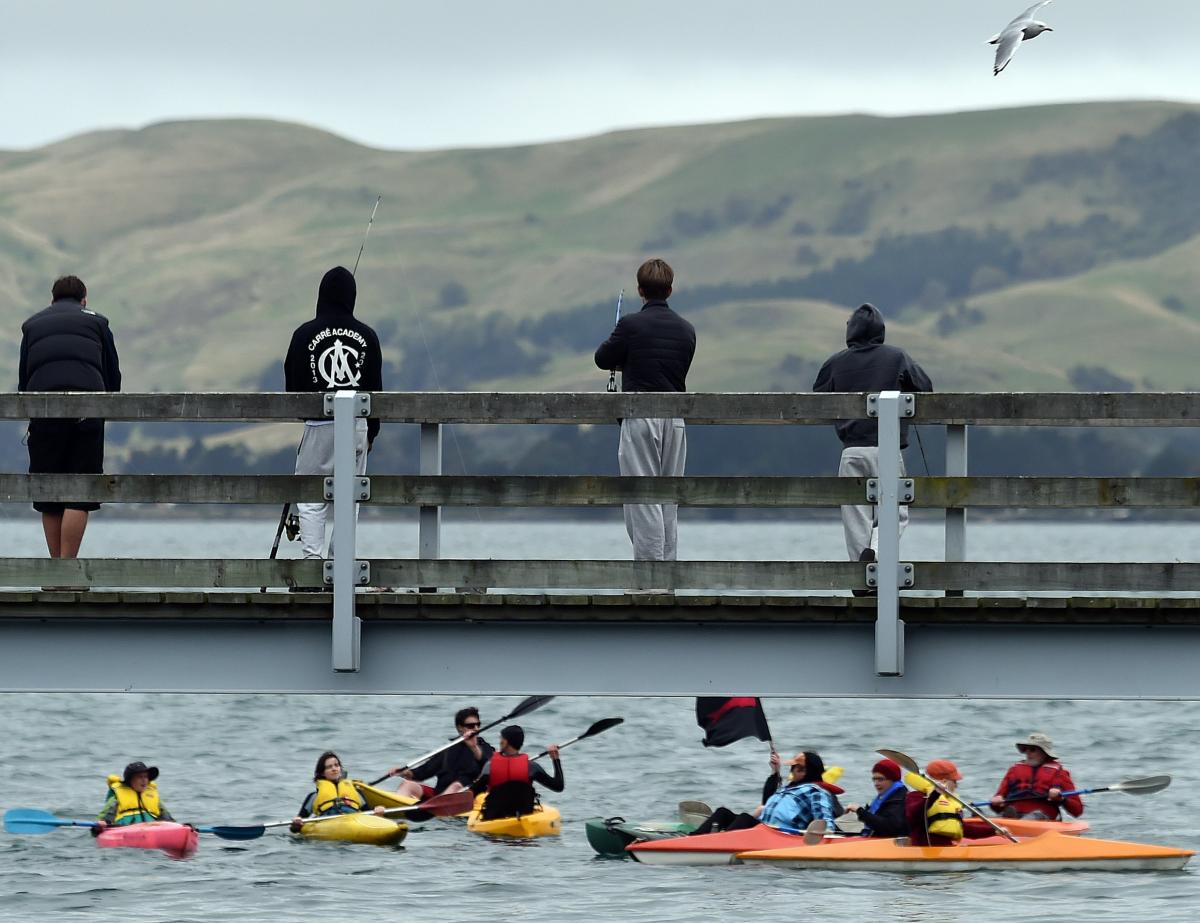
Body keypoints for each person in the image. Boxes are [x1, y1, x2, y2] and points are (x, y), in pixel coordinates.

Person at [812, 303, 932, 594]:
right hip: (886, 449)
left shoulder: (835, 362)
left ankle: (860, 579)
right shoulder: (897, 357)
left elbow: (816, 400)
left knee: (855, 516)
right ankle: (877, 555)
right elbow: (926, 388)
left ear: (850, 332)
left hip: (851, 450)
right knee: (896, 512)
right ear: (880, 331)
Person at [593, 259, 697, 566]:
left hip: (640, 417)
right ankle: (667, 575)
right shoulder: (687, 330)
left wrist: (624, 350)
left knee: (643, 496)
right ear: (670, 289)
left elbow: (602, 358)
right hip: (675, 421)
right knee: (668, 498)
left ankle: (649, 576)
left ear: (640, 290)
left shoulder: (629, 325)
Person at [283, 266, 383, 571]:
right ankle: (340, 567)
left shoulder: (303, 334)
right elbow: (374, 391)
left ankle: (312, 568)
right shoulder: (367, 336)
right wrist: (371, 434)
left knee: (311, 499)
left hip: (317, 426)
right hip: (356, 428)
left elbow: (292, 387)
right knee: (348, 500)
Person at [18, 275, 121, 565]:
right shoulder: (98, 323)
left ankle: (55, 574)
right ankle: (68, 573)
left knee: (48, 493)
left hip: (44, 415)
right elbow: (113, 378)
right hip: (87, 413)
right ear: (84, 300)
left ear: (52, 301)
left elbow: (24, 384)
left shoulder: (32, 325)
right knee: (80, 492)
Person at [693, 750, 843, 836]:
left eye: (797, 768)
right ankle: (691, 840)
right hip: (764, 829)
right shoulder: (787, 789)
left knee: (745, 818)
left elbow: (825, 822)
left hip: (781, 835)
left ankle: (720, 845)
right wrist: (775, 771)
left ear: (807, 771)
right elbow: (767, 802)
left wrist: (825, 833)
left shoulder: (817, 791)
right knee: (723, 812)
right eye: (793, 768)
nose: (793, 771)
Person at [388, 706, 495, 798]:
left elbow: (488, 764)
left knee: (456, 785)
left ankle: (440, 808)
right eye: (471, 726)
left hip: (468, 798)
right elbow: (422, 772)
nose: (476, 728)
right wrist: (403, 772)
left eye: (478, 725)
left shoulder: (485, 748)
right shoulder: (448, 750)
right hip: (439, 797)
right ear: (460, 728)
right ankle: (391, 812)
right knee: (407, 784)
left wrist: (474, 747)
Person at [471, 725, 563, 820]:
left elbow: (472, 794)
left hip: (494, 817)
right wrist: (555, 759)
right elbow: (558, 786)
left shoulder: (490, 766)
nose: (500, 742)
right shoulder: (531, 767)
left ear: (505, 742)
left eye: (501, 739)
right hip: (524, 816)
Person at [990, 732, 1084, 821]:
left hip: (1043, 818)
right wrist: (996, 803)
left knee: (1036, 815)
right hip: (1013, 815)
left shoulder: (1060, 774)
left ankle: (1013, 823)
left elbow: (1077, 810)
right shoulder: (1014, 770)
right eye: (1026, 749)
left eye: (1032, 750)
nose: (1028, 753)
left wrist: (1062, 799)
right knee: (1001, 817)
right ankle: (987, 822)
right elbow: (997, 806)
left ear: (1044, 753)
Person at [290, 751, 386, 831]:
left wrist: (378, 812)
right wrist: (296, 823)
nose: (334, 769)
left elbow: (369, 815)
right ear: (322, 773)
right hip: (328, 824)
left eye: (336, 765)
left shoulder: (357, 792)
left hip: (354, 821)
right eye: (329, 767)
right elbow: (296, 828)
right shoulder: (314, 796)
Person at [93, 761, 174, 834]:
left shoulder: (153, 797)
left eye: (146, 777)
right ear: (130, 780)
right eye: (140, 777)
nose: (144, 780)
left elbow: (168, 820)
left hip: (152, 832)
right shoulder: (118, 797)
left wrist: (179, 826)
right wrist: (101, 825)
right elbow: (105, 817)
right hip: (124, 832)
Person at [904, 759, 964, 846]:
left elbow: (966, 829)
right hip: (925, 852)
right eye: (954, 781)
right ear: (944, 781)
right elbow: (913, 815)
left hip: (945, 850)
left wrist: (990, 829)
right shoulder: (915, 796)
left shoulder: (948, 801)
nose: (956, 785)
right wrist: (935, 794)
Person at [843, 758, 908, 838]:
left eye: (880, 779)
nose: (876, 783)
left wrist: (860, 811)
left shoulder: (899, 800)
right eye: (874, 779)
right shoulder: (888, 797)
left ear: (893, 780)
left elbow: (889, 827)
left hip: (891, 846)